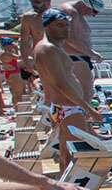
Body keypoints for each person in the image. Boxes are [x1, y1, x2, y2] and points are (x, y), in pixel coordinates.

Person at [34, 9, 104, 168]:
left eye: (67, 25)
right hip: (69, 108)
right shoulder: (48, 49)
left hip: (60, 108)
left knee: (65, 154)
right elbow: (61, 84)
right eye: (60, 25)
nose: (66, 29)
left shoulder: (46, 47)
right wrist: (89, 110)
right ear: (47, 26)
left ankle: (64, 189)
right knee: (81, 158)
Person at [58, 0, 105, 100]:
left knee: (84, 93)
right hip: (75, 58)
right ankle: (81, 116)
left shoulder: (75, 13)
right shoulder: (71, 12)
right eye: (95, 11)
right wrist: (92, 54)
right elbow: (68, 38)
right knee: (86, 94)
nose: (94, 15)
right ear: (87, 5)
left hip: (78, 57)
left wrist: (90, 53)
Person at [19, 0, 50, 89]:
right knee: (46, 89)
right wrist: (26, 60)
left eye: (37, 2)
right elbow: (24, 42)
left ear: (47, 1)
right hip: (41, 60)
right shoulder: (28, 18)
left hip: (59, 58)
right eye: (31, 2)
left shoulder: (58, 16)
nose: (33, 5)